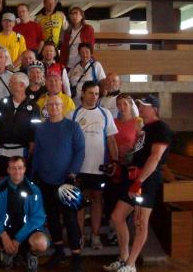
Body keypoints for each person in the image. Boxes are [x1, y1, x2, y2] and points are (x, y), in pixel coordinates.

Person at [104, 95, 172, 272]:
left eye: (145, 106)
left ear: (155, 109)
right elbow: (138, 153)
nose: (140, 108)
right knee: (117, 216)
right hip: (133, 176)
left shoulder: (161, 128)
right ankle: (124, 257)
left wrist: (140, 180)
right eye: (140, 105)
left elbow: (155, 157)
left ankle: (131, 264)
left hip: (146, 180)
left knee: (141, 222)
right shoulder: (144, 128)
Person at [32, 94, 85, 272]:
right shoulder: (41, 129)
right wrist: (34, 174)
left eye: (57, 104)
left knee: (70, 219)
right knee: (52, 218)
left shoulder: (73, 127)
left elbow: (80, 151)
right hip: (46, 181)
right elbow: (37, 152)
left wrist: (72, 174)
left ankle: (76, 255)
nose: (53, 107)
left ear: (62, 107)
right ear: (46, 108)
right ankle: (59, 251)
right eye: (50, 105)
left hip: (67, 181)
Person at [67, 81, 119, 250]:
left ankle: (95, 236)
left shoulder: (105, 114)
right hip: (78, 168)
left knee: (97, 199)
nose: (94, 97)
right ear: (82, 93)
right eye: (91, 93)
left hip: (99, 167)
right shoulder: (72, 114)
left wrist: (115, 162)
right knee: (79, 203)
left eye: (97, 94)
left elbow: (111, 140)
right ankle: (80, 236)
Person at [0, 156, 48, 272]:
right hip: (6, 230)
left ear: (25, 169)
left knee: (42, 244)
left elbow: (38, 218)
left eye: (20, 168)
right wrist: (4, 237)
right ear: (8, 170)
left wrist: (18, 239)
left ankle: (28, 254)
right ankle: (7, 251)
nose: (17, 171)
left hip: (27, 231)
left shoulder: (34, 190)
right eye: (13, 168)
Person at [103, 94, 142, 247]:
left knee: (125, 201)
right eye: (119, 104)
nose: (122, 107)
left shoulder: (137, 123)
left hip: (130, 169)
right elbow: (110, 142)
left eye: (125, 104)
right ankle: (113, 230)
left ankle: (124, 232)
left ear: (130, 105)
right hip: (115, 167)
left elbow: (141, 145)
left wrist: (133, 153)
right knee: (112, 198)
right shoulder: (113, 122)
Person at [0, 72, 40, 179]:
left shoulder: (33, 106)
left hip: (22, 151)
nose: (9, 85)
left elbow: (34, 131)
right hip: (3, 150)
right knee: (2, 180)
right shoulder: (3, 102)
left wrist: (31, 150)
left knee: (19, 180)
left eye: (12, 83)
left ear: (23, 85)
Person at [68, 43, 106, 107]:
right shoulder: (75, 67)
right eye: (82, 52)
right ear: (79, 54)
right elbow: (67, 81)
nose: (84, 55)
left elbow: (103, 82)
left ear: (91, 53)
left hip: (91, 103)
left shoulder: (96, 65)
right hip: (75, 103)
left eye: (87, 52)